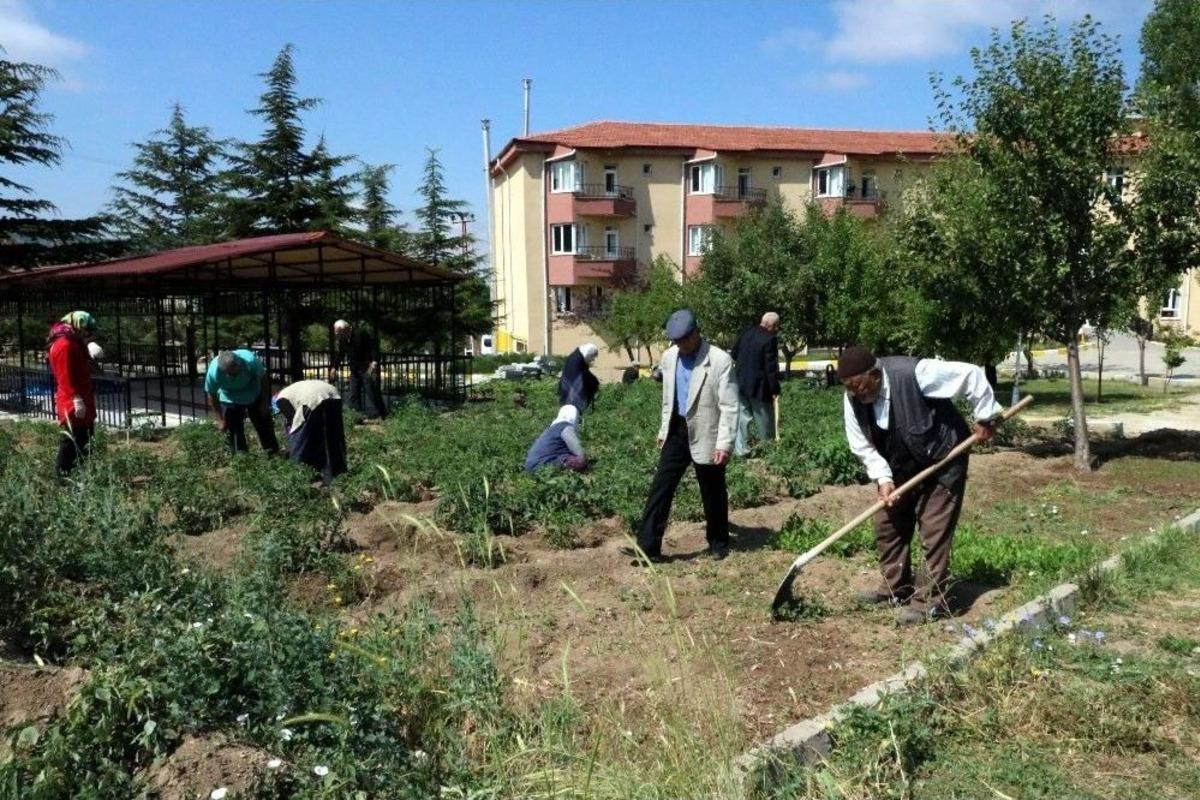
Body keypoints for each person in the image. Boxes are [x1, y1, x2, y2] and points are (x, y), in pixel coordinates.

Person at [838, 345, 1002, 625]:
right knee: (888, 524)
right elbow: (862, 445)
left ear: (875, 374)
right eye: (849, 388)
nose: (856, 393)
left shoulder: (916, 373)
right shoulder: (853, 400)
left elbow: (971, 374)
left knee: (933, 528)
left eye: (859, 385)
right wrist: (883, 478)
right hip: (901, 464)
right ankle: (896, 589)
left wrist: (986, 417)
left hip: (943, 459)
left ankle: (929, 602)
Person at [631, 309, 738, 564]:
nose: (682, 345)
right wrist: (663, 429)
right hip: (677, 430)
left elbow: (730, 405)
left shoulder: (719, 360)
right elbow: (668, 397)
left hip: (707, 430)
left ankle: (719, 542)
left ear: (697, 333)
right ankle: (648, 548)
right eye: (677, 341)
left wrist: (725, 443)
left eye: (685, 340)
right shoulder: (670, 357)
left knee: (712, 490)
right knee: (661, 487)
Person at [47, 311, 98, 475]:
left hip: (81, 396)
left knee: (85, 436)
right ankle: (62, 475)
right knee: (71, 440)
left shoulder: (72, 341)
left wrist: (88, 347)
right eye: (86, 332)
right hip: (73, 400)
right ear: (78, 326)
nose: (87, 335)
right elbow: (65, 375)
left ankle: (79, 472)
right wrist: (76, 398)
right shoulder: (64, 345)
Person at [205, 349, 279, 455]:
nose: (233, 376)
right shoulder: (214, 371)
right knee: (233, 430)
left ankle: (273, 454)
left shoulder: (250, 360)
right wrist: (220, 419)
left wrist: (264, 402)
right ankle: (240, 457)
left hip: (253, 392)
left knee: (263, 423)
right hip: (230, 396)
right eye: (229, 374)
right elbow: (211, 393)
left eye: (235, 372)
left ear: (239, 363)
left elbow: (263, 380)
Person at [275, 379, 347, 484]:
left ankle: (297, 477)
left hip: (312, 398)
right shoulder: (293, 389)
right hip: (334, 395)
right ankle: (337, 474)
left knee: (299, 441)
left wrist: (291, 439)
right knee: (332, 437)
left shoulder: (280, 398)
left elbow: (294, 422)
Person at [732, 311, 782, 456]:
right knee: (764, 419)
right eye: (777, 326)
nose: (777, 329)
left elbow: (734, 354)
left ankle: (741, 450)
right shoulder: (769, 339)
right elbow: (770, 367)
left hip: (740, 382)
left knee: (742, 418)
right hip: (759, 386)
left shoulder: (746, 333)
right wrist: (775, 388)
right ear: (772, 325)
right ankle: (769, 450)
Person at [331, 319, 387, 420]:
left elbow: (373, 347)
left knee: (372, 392)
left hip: (367, 367)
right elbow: (340, 354)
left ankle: (383, 415)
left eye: (338, 332)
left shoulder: (360, 333)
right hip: (354, 369)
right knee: (354, 395)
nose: (337, 335)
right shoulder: (342, 339)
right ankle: (357, 418)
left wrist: (374, 361)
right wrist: (335, 367)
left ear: (344, 330)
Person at [524, 404, 587, 473]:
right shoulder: (566, 427)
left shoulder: (551, 429)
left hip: (531, 466)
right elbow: (578, 451)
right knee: (579, 462)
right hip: (542, 465)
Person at [558, 342, 600, 414]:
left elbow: (584, 373)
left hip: (568, 389)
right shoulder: (577, 360)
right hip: (571, 390)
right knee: (572, 409)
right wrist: (594, 382)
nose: (592, 360)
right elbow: (580, 377)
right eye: (591, 357)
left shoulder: (577, 357)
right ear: (588, 354)